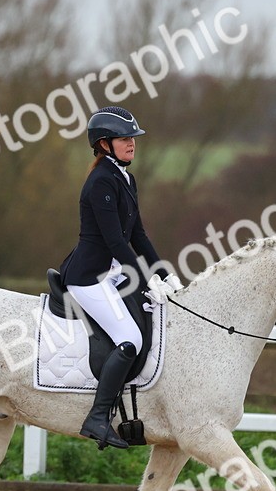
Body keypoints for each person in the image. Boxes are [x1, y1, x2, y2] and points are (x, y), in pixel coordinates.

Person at [57, 106, 182, 449]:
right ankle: (97, 418)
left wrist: (163, 275)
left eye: (133, 139)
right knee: (130, 339)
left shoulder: (125, 179)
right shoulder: (100, 182)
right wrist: (144, 277)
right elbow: (115, 240)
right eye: (125, 139)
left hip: (110, 274)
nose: (132, 144)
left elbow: (138, 235)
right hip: (87, 277)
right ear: (104, 144)